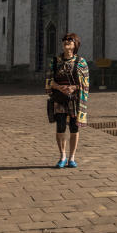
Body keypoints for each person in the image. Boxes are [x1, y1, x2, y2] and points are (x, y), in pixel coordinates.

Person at [45, 33, 89, 168]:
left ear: (75, 44)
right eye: (64, 40)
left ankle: (72, 157)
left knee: (74, 128)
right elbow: (48, 81)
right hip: (59, 99)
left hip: (75, 100)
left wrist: (74, 87)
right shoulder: (55, 61)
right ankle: (62, 155)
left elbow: (86, 83)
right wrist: (59, 87)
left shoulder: (81, 62)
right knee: (61, 127)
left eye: (70, 40)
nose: (66, 42)